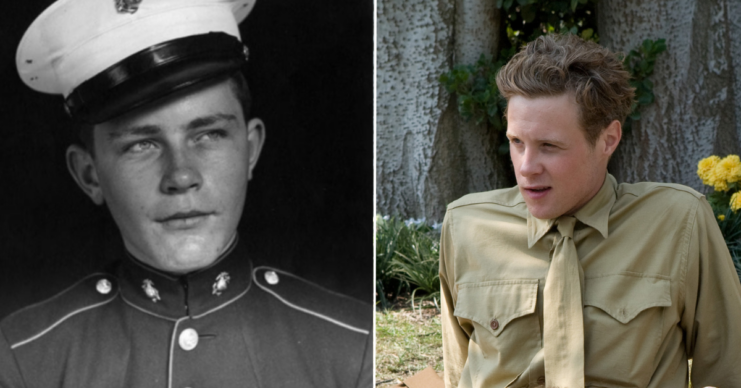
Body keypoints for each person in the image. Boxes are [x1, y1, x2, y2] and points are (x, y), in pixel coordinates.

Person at [0, 0, 372, 386]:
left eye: (208, 135)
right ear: (90, 175)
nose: (181, 176)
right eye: (141, 144)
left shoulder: (356, 347)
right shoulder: (21, 360)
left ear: (251, 149)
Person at [439, 33, 741, 388]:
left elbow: (728, 371)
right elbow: (458, 372)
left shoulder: (678, 222)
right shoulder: (467, 225)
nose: (526, 167)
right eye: (516, 142)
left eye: (549, 146)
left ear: (608, 140)